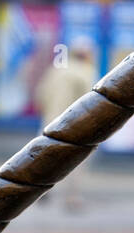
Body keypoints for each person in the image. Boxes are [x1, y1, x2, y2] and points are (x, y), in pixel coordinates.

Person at [36, 37, 100, 209]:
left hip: (50, 120)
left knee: (46, 159)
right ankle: (72, 197)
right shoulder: (86, 71)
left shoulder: (57, 69)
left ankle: (41, 191)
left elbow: (41, 94)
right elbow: (92, 100)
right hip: (75, 124)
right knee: (76, 162)